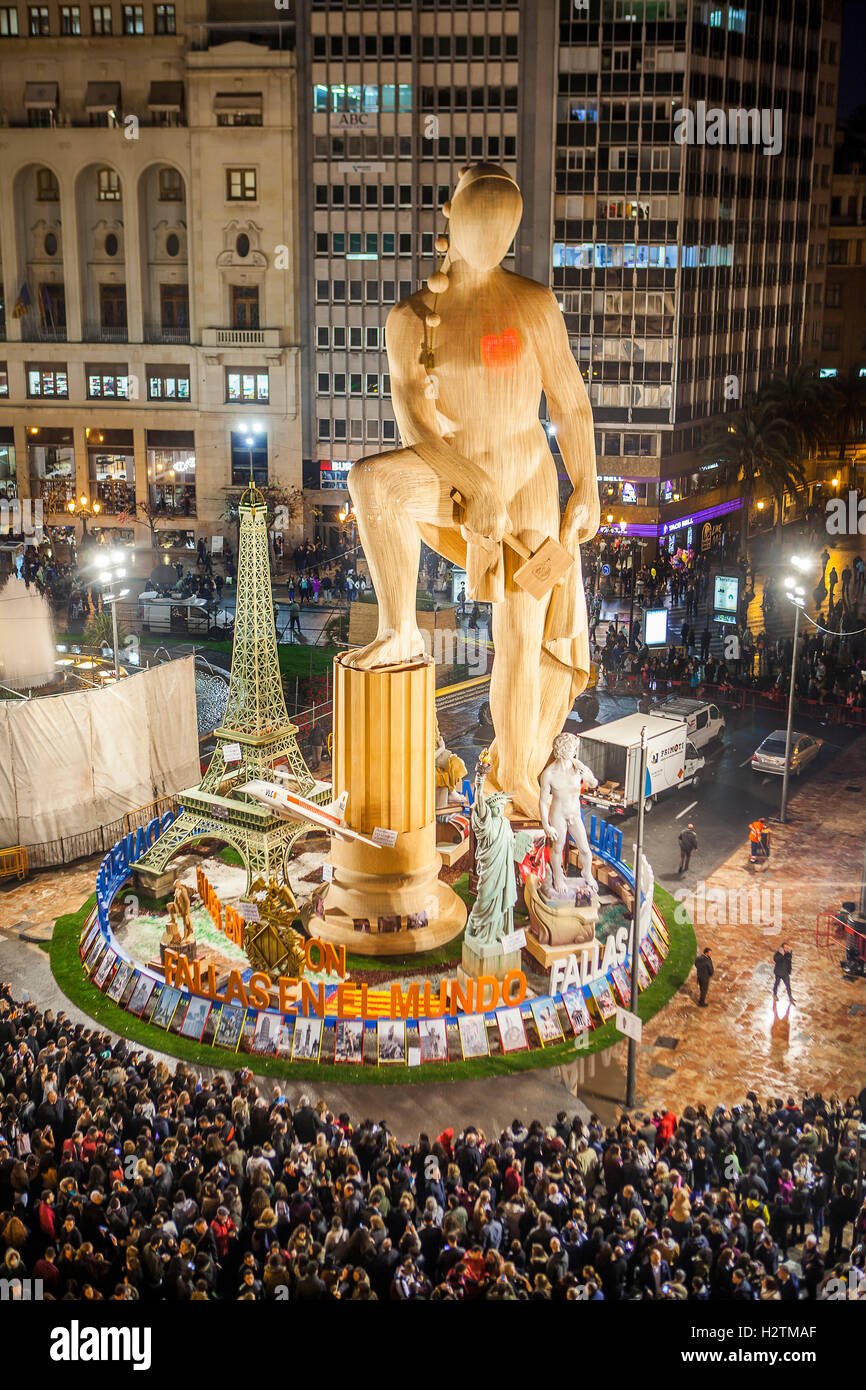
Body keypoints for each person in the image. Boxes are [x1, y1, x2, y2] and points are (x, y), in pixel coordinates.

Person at [772, 941, 793, 1006]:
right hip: (779, 972)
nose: (786, 949)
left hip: (785, 973)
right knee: (777, 984)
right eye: (785, 948)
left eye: (787, 948)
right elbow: (775, 959)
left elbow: (789, 960)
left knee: (788, 986)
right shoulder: (778, 953)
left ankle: (790, 997)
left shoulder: (788, 953)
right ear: (782, 948)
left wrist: (789, 970)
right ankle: (774, 994)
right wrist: (782, 955)